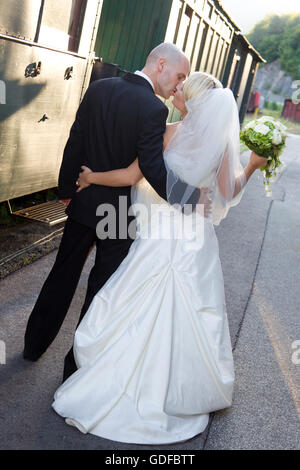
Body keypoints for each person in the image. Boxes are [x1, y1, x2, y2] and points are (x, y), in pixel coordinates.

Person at [51, 72, 267, 445]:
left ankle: (117, 380)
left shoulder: (167, 131)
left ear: (193, 100)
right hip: (193, 239)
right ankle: (182, 388)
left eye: (184, 87)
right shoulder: (220, 145)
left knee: (132, 301)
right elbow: (228, 191)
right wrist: (252, 165)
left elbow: (134, 175)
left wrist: (93, 177)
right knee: (194, 311)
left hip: (155, 235)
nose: (177, 89)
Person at [23, 43, 211, 381]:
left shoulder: (99, 88)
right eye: (179, 75)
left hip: (84, 202)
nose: (179, 84)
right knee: (99, 289)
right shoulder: (153, 109)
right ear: (161, 65)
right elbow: (152, 168)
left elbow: (75, 140)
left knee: (61, 275)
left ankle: (33, 346)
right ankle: (74, 369)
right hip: (118, 213)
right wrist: (191, 197)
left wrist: (67, 191)